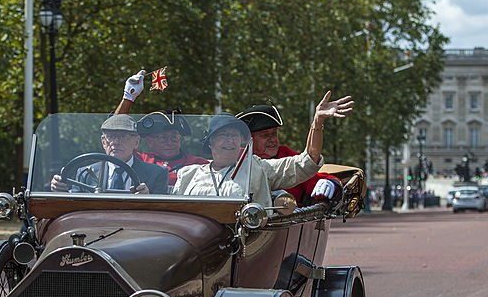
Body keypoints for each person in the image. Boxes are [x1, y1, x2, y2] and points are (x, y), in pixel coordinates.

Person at [173, 91, 352, 204]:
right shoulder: (189, 173)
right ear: (210, 143)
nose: (229, 141)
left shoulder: (256, 167)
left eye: (234, 136)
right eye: (223, 136)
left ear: (243, 142)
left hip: (243, 248)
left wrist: (317, 122)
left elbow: (307, 162)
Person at [111, 71, 209, 185]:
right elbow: (115, 132)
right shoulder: (139, 160)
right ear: (150, 141)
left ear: (180, 139)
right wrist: (128, 96)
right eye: (163, 138)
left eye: (174, 137)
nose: (169, 142)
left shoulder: (197, 164)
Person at [236, 103, 341, 205]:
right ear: (248, 140)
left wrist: (331, 183)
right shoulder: (238, 162)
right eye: (265, 135)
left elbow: (308, 166)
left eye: (274, 134)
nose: (273, 140)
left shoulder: (286, 155)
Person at [50, 115, 168, 194]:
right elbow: (74, 210)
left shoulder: (156, 174)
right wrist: (61, 190)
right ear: (103, 142)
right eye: (111, 137)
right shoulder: (85, 173)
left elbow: (162, 216)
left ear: (136, 142)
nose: (115, 142)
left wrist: (148, 199)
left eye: (122, 136)